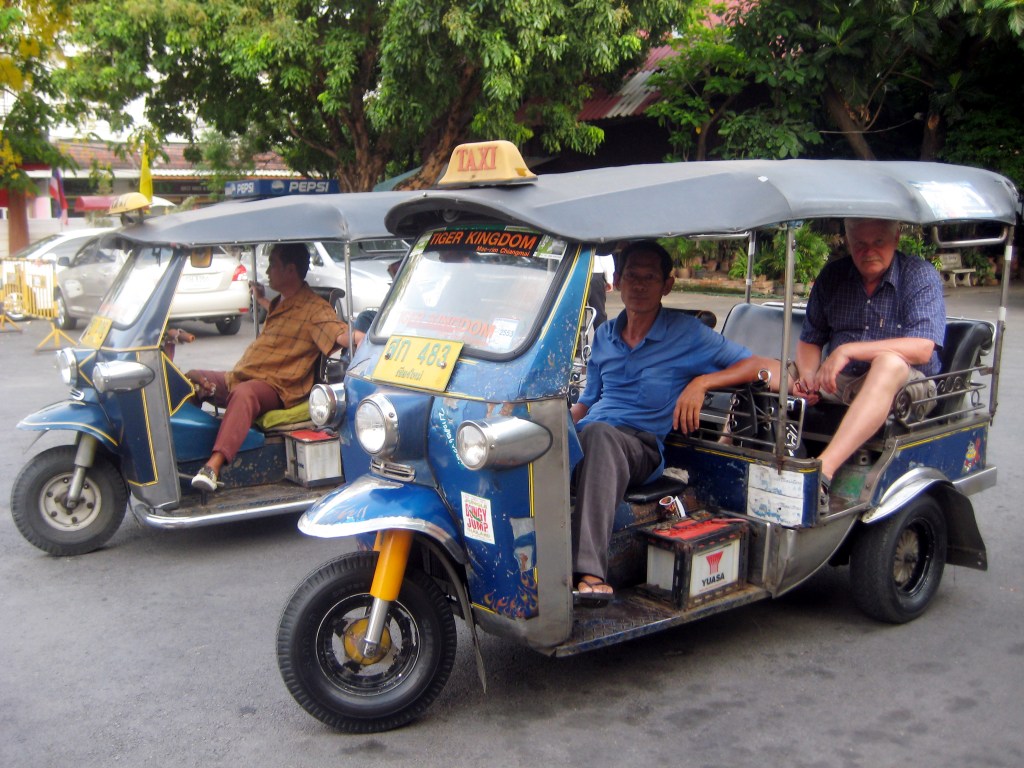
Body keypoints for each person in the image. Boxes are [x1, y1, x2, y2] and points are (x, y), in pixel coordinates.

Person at [570, 240, 774, 603]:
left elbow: (763, 367)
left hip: (640, 446)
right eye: (632, 275)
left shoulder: (687, 334)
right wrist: (554, 425)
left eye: (650, 277)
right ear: (617, 279)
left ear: (667, 285)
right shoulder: (604, 335)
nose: (639, 284)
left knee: (601, 436)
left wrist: (702, 382)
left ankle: (590, 572)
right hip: (592, 433)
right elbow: (588, 401)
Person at [789, 218, 945, 510]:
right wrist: (808, 376)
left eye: (878, 243)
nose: (868, 251)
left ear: (896, 239)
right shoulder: (833, 276)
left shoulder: (919, 276)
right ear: (848, 242)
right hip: (842, 380)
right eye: (860, 244)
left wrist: (849, 350)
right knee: (765, 371)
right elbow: (811, 339)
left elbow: (923, 349)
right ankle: (733, 450)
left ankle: (823, 472)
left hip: (906, 386)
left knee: (888, 363)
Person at [187, 242, 353, 491]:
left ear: (290, 270)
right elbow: (283, 314)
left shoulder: (315, 310)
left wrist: (374, 341)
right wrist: (263, 299)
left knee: (245, 394)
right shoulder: (281, 303)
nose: (268, 271)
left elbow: (341, 335)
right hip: (242, 376)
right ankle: (190, 453)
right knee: (192, 378)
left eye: (273, 265)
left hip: (276, 387)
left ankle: (213, 466)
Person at [587, 249, 616, 328]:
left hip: (576, 274)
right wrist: (609, 279)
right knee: (598, 310)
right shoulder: (597, 237)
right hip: (595, 274)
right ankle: (601, 337)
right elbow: (605, 257)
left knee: (577, 311)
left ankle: (576, 338)